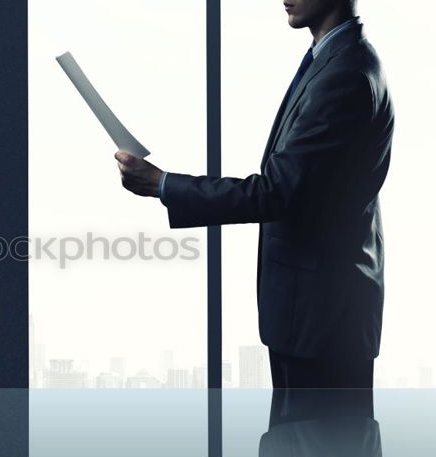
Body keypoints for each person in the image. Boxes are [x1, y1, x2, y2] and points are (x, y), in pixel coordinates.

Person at [115, 0, 394, 389]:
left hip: (322, 321)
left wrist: (164, 184)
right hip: (318, 315)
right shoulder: (335, 60)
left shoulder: (344, 74)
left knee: (322, 443)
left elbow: (277, 192)